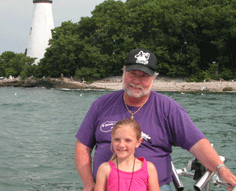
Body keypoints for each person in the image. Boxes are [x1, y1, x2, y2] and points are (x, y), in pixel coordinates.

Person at [74, 48, 236, 191]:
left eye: (143, 76)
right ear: (123, 72)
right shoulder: (101, 105)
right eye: (132, 74)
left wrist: (221, 169)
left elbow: (196, 142)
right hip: (107, 185)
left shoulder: (168, 108)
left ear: (153, 79)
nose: (136, 81)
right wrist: (89, 184)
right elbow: (83, 146)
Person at [94, 118, 160, 191]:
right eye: (117, 140)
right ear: (112, 140)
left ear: (138, 142)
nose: (121, 145)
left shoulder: (149, 168)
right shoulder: (105, 169)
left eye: (128, 140)